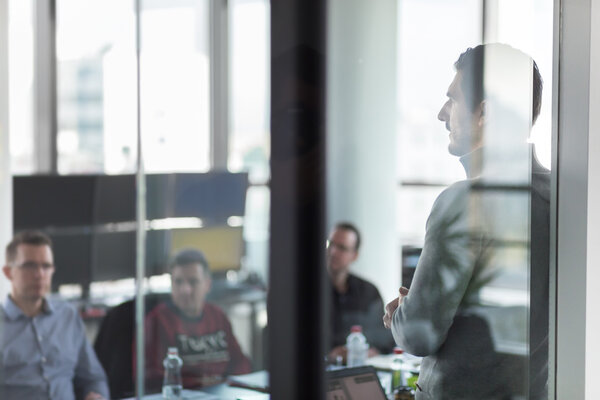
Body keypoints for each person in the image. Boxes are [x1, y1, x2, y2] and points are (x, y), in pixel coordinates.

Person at [383, 44, 550, 400]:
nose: (442, 114)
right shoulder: (560, 198)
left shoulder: (463, 201)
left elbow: (417, 336)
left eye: (453, 100)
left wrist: (401, 314)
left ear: (484, 112)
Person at [0, 230, 109, 400]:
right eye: (29, 266)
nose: (39, 275)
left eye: (46, 266)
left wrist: (97, 395)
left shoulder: (68, 316)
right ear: (8, 272)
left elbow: (93, 378)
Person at [143, 248, 251, 390]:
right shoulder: (157, 321)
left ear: (207, 284)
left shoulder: (218, 316)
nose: (185, 290)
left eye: (193, 282)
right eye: (178, 282)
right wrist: (200, 382)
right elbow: (149, 376)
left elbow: (241, 363)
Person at [327, 222, 395, 363]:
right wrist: (331, 354)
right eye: (331, 244)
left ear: (354, 255)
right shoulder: (309, 291)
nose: (333, 252)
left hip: (361, 367)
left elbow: (385, 335)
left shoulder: (369, 291)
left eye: (342, 248)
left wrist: (366, 351)